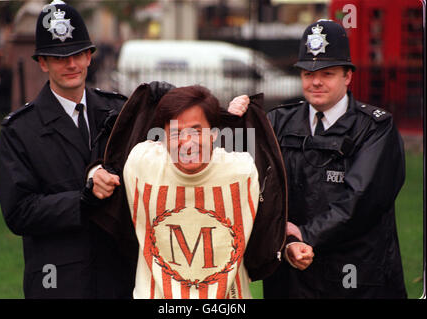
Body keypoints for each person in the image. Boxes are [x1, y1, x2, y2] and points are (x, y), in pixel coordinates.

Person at [229, 20, 407, 298]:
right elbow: (238, 176)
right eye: (307, 73)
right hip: (291, 275)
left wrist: (302, 235)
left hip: (355, 276)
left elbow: (361, 200)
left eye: (327, 73)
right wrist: (234, 124)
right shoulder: (277, 121)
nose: (315, 82)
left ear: (348, 76)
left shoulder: (375, 127)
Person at [86, 83, 314, 299]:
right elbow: (111, 158)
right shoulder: (142, 162)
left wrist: (290, 243)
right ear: (162, 137)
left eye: (197, 131)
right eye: (176, 133)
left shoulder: (242, 170)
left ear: (215, 134)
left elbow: (268, 217)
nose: (187, 142)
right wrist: (93, 172)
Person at [0, 0, 136, 298]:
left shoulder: (120, 112)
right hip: (57, 279)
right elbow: (19, 212)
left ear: (88, 57)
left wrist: (156, 105)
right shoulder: (20, 131)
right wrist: (82, 199)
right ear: (43, 63)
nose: (71, 64)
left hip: (118, 277)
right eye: (59, 58)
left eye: (77, 54)